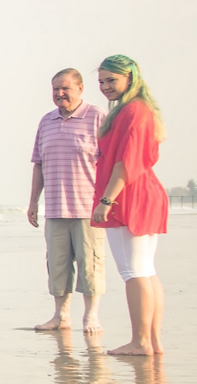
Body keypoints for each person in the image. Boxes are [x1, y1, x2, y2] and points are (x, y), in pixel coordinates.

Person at [90, 55, 167, 356]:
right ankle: (152, 341)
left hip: (131, 195)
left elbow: (127, 161)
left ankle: (141, 341)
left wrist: (106, 200)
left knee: (133, 271)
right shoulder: (136, 110)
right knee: (145, 270)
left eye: (112, 80)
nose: (106, 86)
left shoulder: (133, 111)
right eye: (102, 82)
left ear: (130, 77)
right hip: (144, 191)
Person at [28, 68, 106, 333]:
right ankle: (61, 316)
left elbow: (109, 162)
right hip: (55, 207)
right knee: (57, 264)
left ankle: (91, 317)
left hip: (88, 208)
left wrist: (106, 202)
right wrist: (32, 203)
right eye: (55, 90)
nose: (60, 94)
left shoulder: (96, 116)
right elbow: (38, 164)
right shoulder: (46, 121)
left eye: (66, 88)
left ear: (80, 88)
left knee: (90, 264)